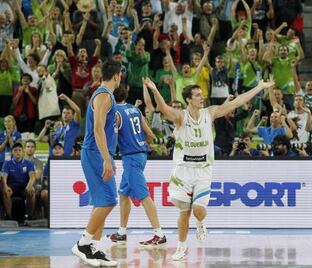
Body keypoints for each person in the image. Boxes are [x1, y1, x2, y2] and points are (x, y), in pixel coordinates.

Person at [143, 77, 274, 261]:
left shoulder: (210, 112)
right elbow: (163, 109)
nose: (201, 97)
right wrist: (155, 89)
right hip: (183, 169)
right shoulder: (181, 116)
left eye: (201, 94)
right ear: (188, 99)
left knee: (197, 210)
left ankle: (201, 222)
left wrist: (259, 86)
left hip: (203, 168)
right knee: (184, 211)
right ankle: (181, 247)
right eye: (197, 95)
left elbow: (238, 101)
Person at [71, 60, 122, 267]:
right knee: (109, 200)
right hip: (94, 153)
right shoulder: (103, 95)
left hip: (99, 153)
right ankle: (83, 243)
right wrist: (107, 159)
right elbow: (98, 129)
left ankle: (93, 246)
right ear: (117, 76)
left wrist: (108, 155)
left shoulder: (105, 95)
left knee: (101, 201)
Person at [107, 86, 167, 247]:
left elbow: (111, 140)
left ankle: (159, 234)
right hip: (141, 154)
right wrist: (141, 145)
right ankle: (121, 232)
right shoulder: (134, 109)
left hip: (131, 158)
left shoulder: (115, 114)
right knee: (123, 194)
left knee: (144, 197)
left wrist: (109, 158)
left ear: (111, 98)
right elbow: (150, 135)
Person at [1, 142, 36, 220]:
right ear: (12, 152)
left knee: (32, 190)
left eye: (19, 150)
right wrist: (6, 187)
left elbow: (32, 176)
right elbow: (4, 177)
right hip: (11, 188)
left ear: (22, 151)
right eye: (15, 150)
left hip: (24, 188)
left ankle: (30, 216)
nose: (17, 152)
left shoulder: (29, 163)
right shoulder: (7, 163)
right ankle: (10, 217)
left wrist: (29, 185)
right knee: (5, 191)